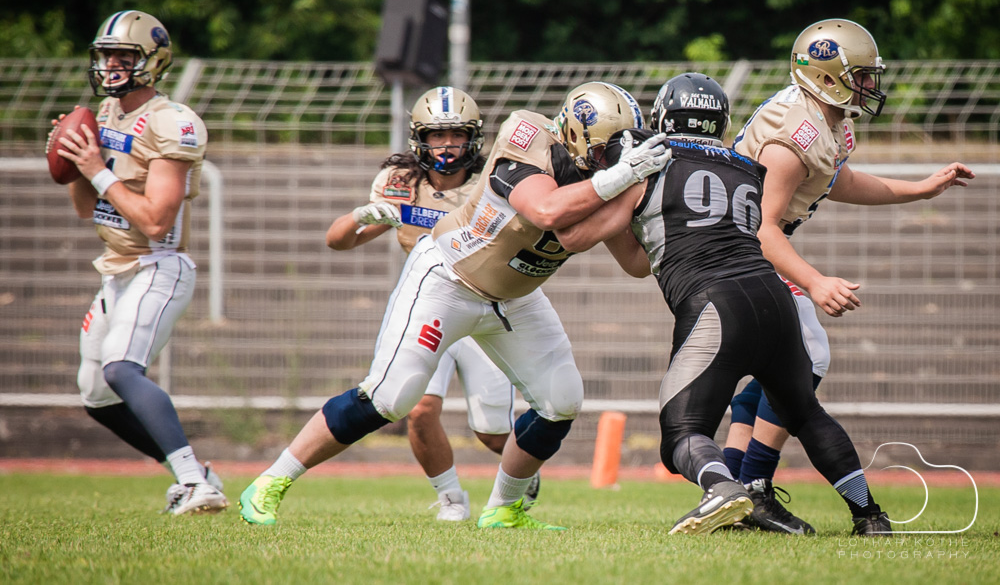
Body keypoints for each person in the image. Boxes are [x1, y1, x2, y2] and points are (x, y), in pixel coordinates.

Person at [239, 81, 668, 529]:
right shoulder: (529, 136)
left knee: (561, 401)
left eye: (619, 150)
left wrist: (655, 202)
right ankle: (271, 481)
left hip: (515, 297)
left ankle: (503, 508)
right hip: (449, 279)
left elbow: (634, 262)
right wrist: (622, 178)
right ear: (576, 133)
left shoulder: (609, 174)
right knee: (391, 397)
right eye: (604, 149)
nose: (611, 158)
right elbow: (548, 213)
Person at [555, 72, 892, 535]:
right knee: (805, 413)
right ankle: (869, 516)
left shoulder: (649, 160)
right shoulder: (743, 165)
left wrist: (600, 183)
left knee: (682, 434)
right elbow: (647, 257)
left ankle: (725, 488)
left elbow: (576, 238)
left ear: (663, 118)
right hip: (775, 297)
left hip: (715, 306)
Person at [721, 19, 975, 534]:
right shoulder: (796, 132)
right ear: (828, 77)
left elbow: (837, 179)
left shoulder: (826, 119)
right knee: (810, 355)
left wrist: (920, 189)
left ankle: (730, 489)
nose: (869, 86)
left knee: (776, 373)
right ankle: (753, 488)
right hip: (737, 248)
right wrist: (815, 282)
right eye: (860, 76)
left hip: (744, 245)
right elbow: (764, 229)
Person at [323, 86, 538, 521]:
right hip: (428, 307)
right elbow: (338, 241)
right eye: (437, 135)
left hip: (480, 306)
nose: (447, 145)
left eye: (457, 134)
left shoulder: (492, 180)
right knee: (419, 410)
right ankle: (451, 499)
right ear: (419, 138)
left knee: (492, 432)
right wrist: (363, 215)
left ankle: (521, 473)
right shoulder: (401, 183)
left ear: (473, 137)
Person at [48, 10, 227, 515]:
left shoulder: (172, 121)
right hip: (116, 269)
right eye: (105, 57)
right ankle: (198, 476)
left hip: (158, 264)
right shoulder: (106, 114)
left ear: (153, 61)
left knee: (122, 369)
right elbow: (87, 208)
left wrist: (94, 169)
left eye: (123, 57)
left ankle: (197, 485)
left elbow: (155, 220)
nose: (111, 67)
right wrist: (75, 164)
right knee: (96, 394)